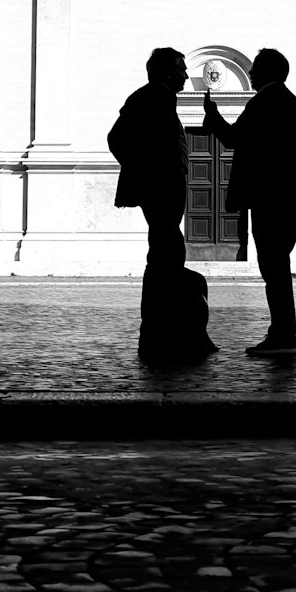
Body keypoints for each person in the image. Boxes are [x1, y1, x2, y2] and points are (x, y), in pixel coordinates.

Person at [108, 47, 217, 363]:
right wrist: (146, 171)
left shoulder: (160, 97)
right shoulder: (151, 97)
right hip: (160, 188)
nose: (186, 74)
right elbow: (118, 138)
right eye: (181, 69)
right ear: (167, 71)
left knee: (167, 254)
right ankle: (162, 335)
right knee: (166, 255)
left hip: (164, 187)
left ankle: (167, 333)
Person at [204, 48, 296, 357]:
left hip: (271, 200)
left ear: (266, 72)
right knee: (278, 266)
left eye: (254, 70)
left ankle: (282, 335)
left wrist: (212, 118)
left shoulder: (265, 101)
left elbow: (233, 138)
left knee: (273, 268)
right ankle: (282, 333)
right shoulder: (294, 104)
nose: (249, 74)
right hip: (291, 199)